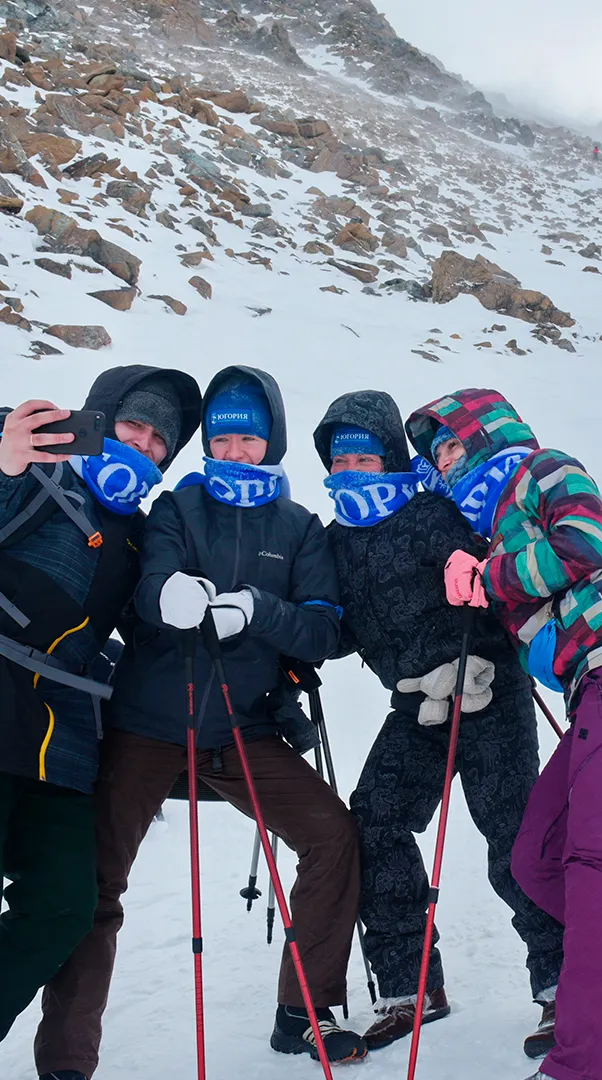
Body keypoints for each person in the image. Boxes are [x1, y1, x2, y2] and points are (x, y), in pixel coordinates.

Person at [34, 367, 367, 1080]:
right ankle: (66, 1060)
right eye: (222, 439)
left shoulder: (299, 527)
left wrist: (258, 610)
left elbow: (325, 632)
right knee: (97, 885)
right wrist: (168, 597)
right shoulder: (176, 509)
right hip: (148, 723)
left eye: (248, 438)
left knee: (333, 836)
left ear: (269, 439)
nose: (235, 452)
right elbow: (149, 588)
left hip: (240, 731)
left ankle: (304, 1012)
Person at [405, 389, 602, 1080]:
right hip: (596, 691)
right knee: (537, 860)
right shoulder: (493, 526)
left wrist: (487, 578)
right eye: (438, 456)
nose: (449, 462)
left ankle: (593, 1061)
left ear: (489, 432)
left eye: (455, 443)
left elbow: (584, 543)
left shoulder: (545, 469)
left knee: (594, 862)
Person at [312, 391, 564, 1058]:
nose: (355, 471)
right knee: (373, 820)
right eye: (342, 460)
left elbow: (467, 556)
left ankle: (563, 986)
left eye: (368, 456)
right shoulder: (335, 539)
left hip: (485, 689)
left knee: (513, 835)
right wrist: (291, 641)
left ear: (392, 457)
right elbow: (338, 631)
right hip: (416, 705)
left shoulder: (430, 510)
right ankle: (410, 986)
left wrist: (463, 565)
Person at [0, 367, 200, 1049]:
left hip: (63, 741)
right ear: (100, 419)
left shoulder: (143, 538)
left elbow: (149, 640)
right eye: (131, 428)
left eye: (156, 445)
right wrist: (4, 467)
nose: (141, 447)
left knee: (62, 907)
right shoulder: (34, 471)